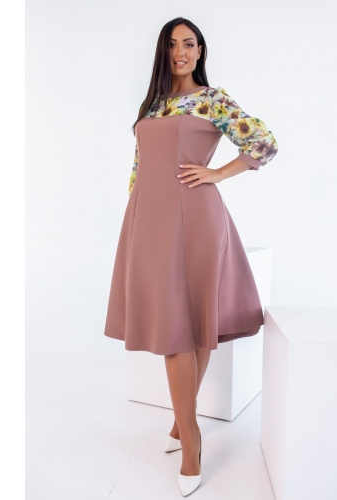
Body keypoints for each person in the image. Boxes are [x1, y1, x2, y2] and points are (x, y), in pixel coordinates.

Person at [103, 17, 278, 496]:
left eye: (189, 43)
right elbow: (138, 168)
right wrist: (135, 217)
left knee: (185, 324)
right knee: (181, 322)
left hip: (196, 217)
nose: (180, 51)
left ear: (200, 51)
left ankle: (191, 436)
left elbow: (264, 142)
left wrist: (217, 174)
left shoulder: (213, 99)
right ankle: (183, 423)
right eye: (172, 44)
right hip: (149, 220)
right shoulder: (153, 105)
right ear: (163, 51)